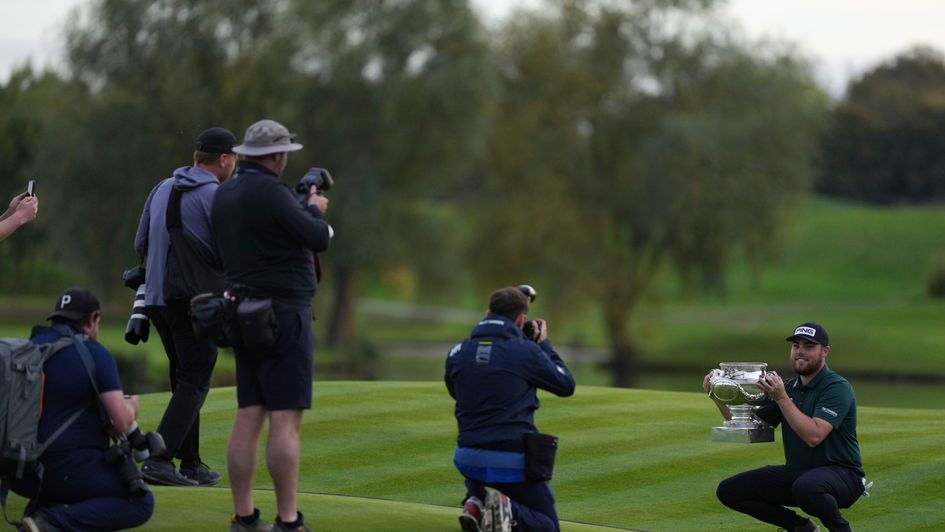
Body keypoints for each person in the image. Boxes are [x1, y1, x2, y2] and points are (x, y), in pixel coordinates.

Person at [210, 119, 331, 532]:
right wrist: (314, 209)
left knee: (249, 413)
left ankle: (243, 517)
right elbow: (319, 237)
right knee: (284, 418)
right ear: (277, 156)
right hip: (283, 313)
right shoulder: (273, 194)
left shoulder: (224, 194)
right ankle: (288, 519)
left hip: (241, 311)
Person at [132, 127, 238, 487]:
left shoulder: (162, 187)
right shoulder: (215, 195)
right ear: (224, 159)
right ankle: (159, 460)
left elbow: (140, 242)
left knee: (184, 376)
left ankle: (191, 463)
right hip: (195, 301)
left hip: (156, 299)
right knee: (196, 376)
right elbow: (230, 251)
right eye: (233, 158)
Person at [11, 288, 154, 531]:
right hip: (66, 470)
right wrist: (132, 406)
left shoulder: (28, 349)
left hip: (18, 472)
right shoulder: (96, 354)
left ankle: (36, 516)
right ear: (92, 319)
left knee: (58, 483)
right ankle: (50, 524)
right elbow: (121, 421)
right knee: (140, 501)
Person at [705, 322, 867, 532]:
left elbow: (814, 436)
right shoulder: (789, 387)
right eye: (796, 346)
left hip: (844, 475)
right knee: (730, 490)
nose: (800, 352)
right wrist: (718, 395)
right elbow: (749, 428)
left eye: (808, 346)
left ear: (825, 351)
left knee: (807, 487)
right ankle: (801, 528)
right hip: (800, 474)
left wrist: (781, 398)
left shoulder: (836, 387)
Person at [445, 287, 576, 532]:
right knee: (548, 526)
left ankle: (476, 500)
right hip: (511, 461)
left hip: (466, 458)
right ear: (521, 320)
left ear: (487, 313)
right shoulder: (527, 352)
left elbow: (457, 393)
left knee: (480, 438)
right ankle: (506, 508)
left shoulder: (457, 352)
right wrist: (544, 345)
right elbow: (566, 384)